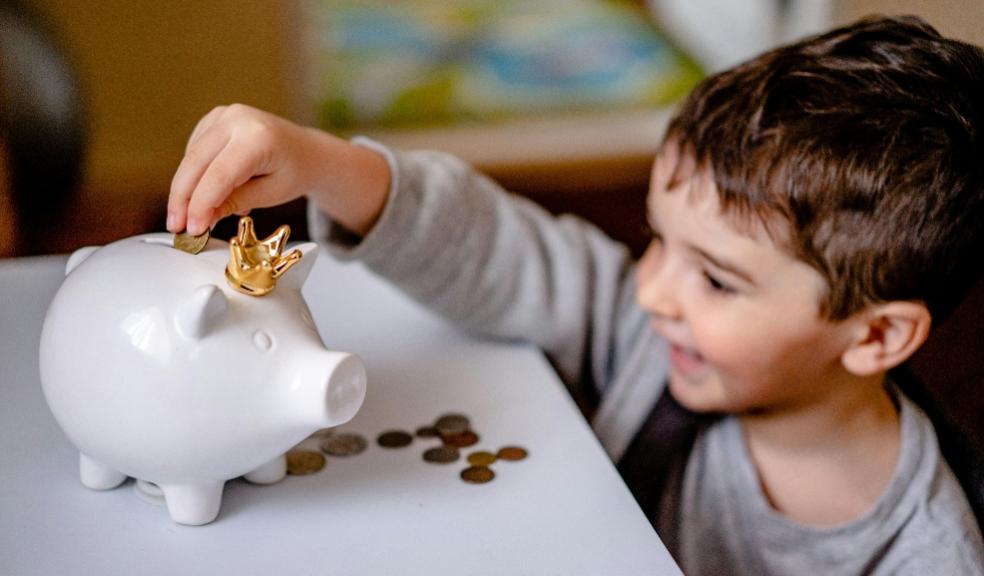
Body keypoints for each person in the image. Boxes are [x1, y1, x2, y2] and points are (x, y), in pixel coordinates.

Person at [167, 15, 984, 575]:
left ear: (875, 337)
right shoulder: (655, 335)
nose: (651, 289)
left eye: (715, 279)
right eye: (657, 237)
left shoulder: (929, 555)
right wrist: (320, 162)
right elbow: (494, 247)